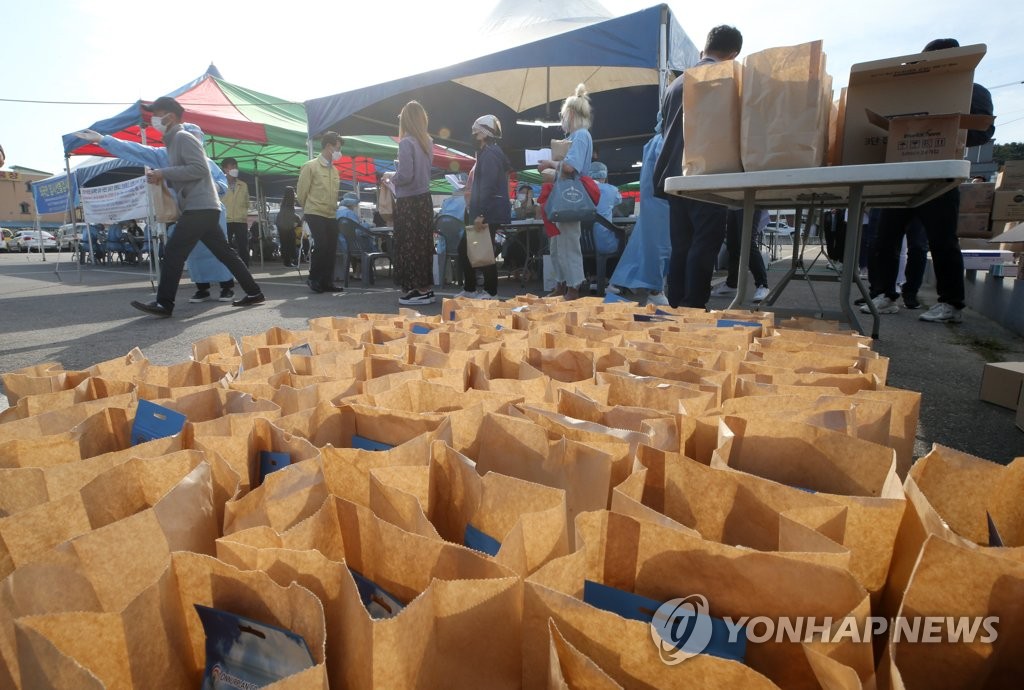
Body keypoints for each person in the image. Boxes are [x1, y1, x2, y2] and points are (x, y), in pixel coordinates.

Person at [862, 38, 995, 323]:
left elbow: (983, 131)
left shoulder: (972, 91)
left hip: (940, 178)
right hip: (902, 176)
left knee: (941, 241)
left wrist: (945, 129)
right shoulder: (912, 94)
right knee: (884, 239)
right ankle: (885, 294)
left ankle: (951, 304)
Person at [128, 96, 263, 316]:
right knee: (226, 253)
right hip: (205, 206)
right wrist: (165, 177)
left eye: (157, 114)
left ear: (170, 117)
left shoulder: (183, 137)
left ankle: (164, 303)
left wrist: (163, 173)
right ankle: (254, 292)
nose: (153, 119)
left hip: (200, 207)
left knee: (173, 251)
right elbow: (191, 173)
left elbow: (200, 169)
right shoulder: (175, 141)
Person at [75, 124, 238, 303]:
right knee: (192, 252)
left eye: (194, 138)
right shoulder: (165, 156)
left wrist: (216, 187)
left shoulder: (207, 162)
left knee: (218, 250)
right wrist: (103, 140)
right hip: (187, 212)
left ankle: (227, 286)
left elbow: (222, 183)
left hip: (210, 211)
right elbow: (137, 150)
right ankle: (202, 288)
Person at [653, 25, 743, 309]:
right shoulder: (722, 77)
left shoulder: (676, 83)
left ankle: (677, 304)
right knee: (705, 243)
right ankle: (694, 306)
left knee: (681, 244)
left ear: (706, 46)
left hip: (673, 177)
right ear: (734, 54)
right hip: (705, 173)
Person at [608, 113, 672, 306]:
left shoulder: (653, 142)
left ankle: (618, 287)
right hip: (662, 203)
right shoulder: (664, 141)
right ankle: (654, 289)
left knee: (643, 245)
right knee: (659, 248)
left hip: (652, 203)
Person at [538, 83, 594, 300]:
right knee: (558, 243)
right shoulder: (577, 136)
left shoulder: (580, 136)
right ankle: (563, 284)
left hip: (569, 196)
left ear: (569, 114)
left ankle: (573, 286)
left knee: (567, 242)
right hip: (565, 196)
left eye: (563, 115)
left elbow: (571, 167)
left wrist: (550, 164)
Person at [455, 114, 511, 300]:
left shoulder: (489, 155)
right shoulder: (491, 153)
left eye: (476, 131)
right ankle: (474, 289)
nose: (473, 134)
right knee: (472, 249)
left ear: (484, 133)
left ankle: (489, 291)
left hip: (486, 211)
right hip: (489, 210)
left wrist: (480, 214)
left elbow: (487, 186)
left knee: (477, 250)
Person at [389, 101, 437, 306]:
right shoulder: (427, 141)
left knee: (409, 245)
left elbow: (406, 176)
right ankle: (425, 287)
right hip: (424, 199)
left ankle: (416, 288)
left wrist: (392, 177)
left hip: (409, 201)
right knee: (423, 244)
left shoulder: (406, 143)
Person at [297, 131, 345, 293]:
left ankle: (327, 282)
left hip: (331, 213)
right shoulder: (310, 166)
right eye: (338, 148)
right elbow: (302, 192)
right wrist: (308, 208)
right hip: (315, 212)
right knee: (322, 244)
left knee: (331, 246)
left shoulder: (335, 171)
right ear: (329, 146)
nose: (339, 152)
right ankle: (314, 278)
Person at [712, 208, 771, 303]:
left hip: (750, 200)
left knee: (747, 242)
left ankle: (762, 285)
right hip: (734, 204)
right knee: (732, 245)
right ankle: (732, 284)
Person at [221, 157, 250, 265]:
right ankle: (226, 270)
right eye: (232, 166)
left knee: (243, 246)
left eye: (235, 166)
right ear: (225, 169)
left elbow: (247, 202)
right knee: (225, 246)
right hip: (224, 220)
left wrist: (243, 213)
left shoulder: (243, 185)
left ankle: (245, 269)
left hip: (240, 220)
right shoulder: (219, 184)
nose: (235, 168)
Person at [276, 186, 300, 267]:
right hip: (287, 225)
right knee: (290, 243)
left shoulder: (283, 201)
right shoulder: (290, 202)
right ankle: (290, 260)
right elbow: (290, 215)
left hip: (281, 224)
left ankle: (287, 261)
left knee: (284, 243)